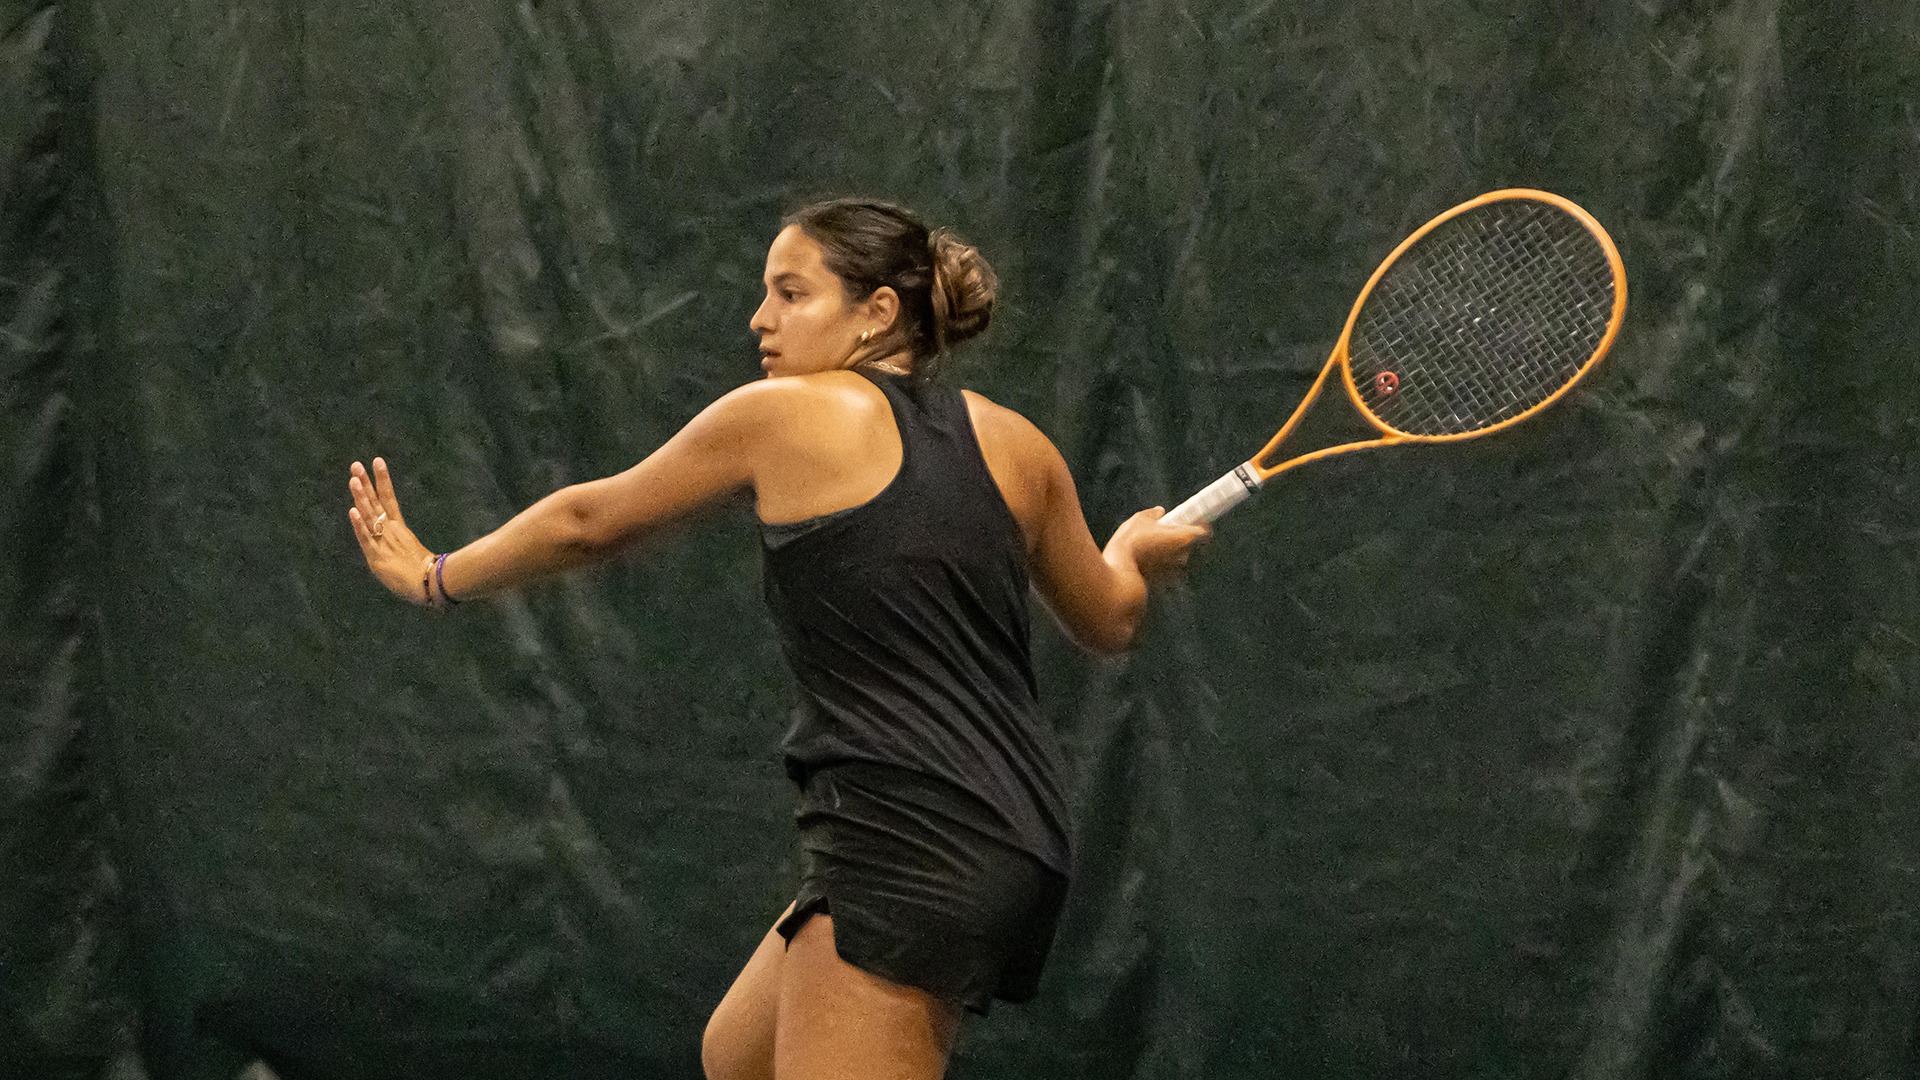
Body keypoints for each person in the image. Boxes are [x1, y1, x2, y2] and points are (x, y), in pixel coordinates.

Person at [346, 198, 1207, 1080]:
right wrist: (1129, 551)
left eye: (791, 293)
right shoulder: (1022, 448)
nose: (761, 318)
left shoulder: (788, 412)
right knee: (739, 1056)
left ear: (878, 311)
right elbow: (1111, 618)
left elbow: (588, 521)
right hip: (1004, 834)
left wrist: (435, 574)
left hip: (908, 838)